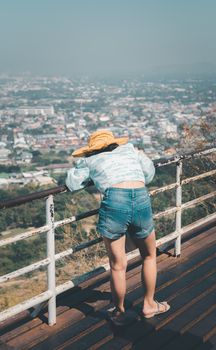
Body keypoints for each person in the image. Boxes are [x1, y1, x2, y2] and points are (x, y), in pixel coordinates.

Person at [66, 129, 170, 325]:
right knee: (149, 255)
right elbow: (149, 174)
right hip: (140, 196)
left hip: (114, 200)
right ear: (114, 142)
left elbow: (72, 183)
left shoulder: (91, 160)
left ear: (92, 148)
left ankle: (119, 312)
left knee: (118, 265)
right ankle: (149, 305)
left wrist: (87, 167)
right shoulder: (130, 150)